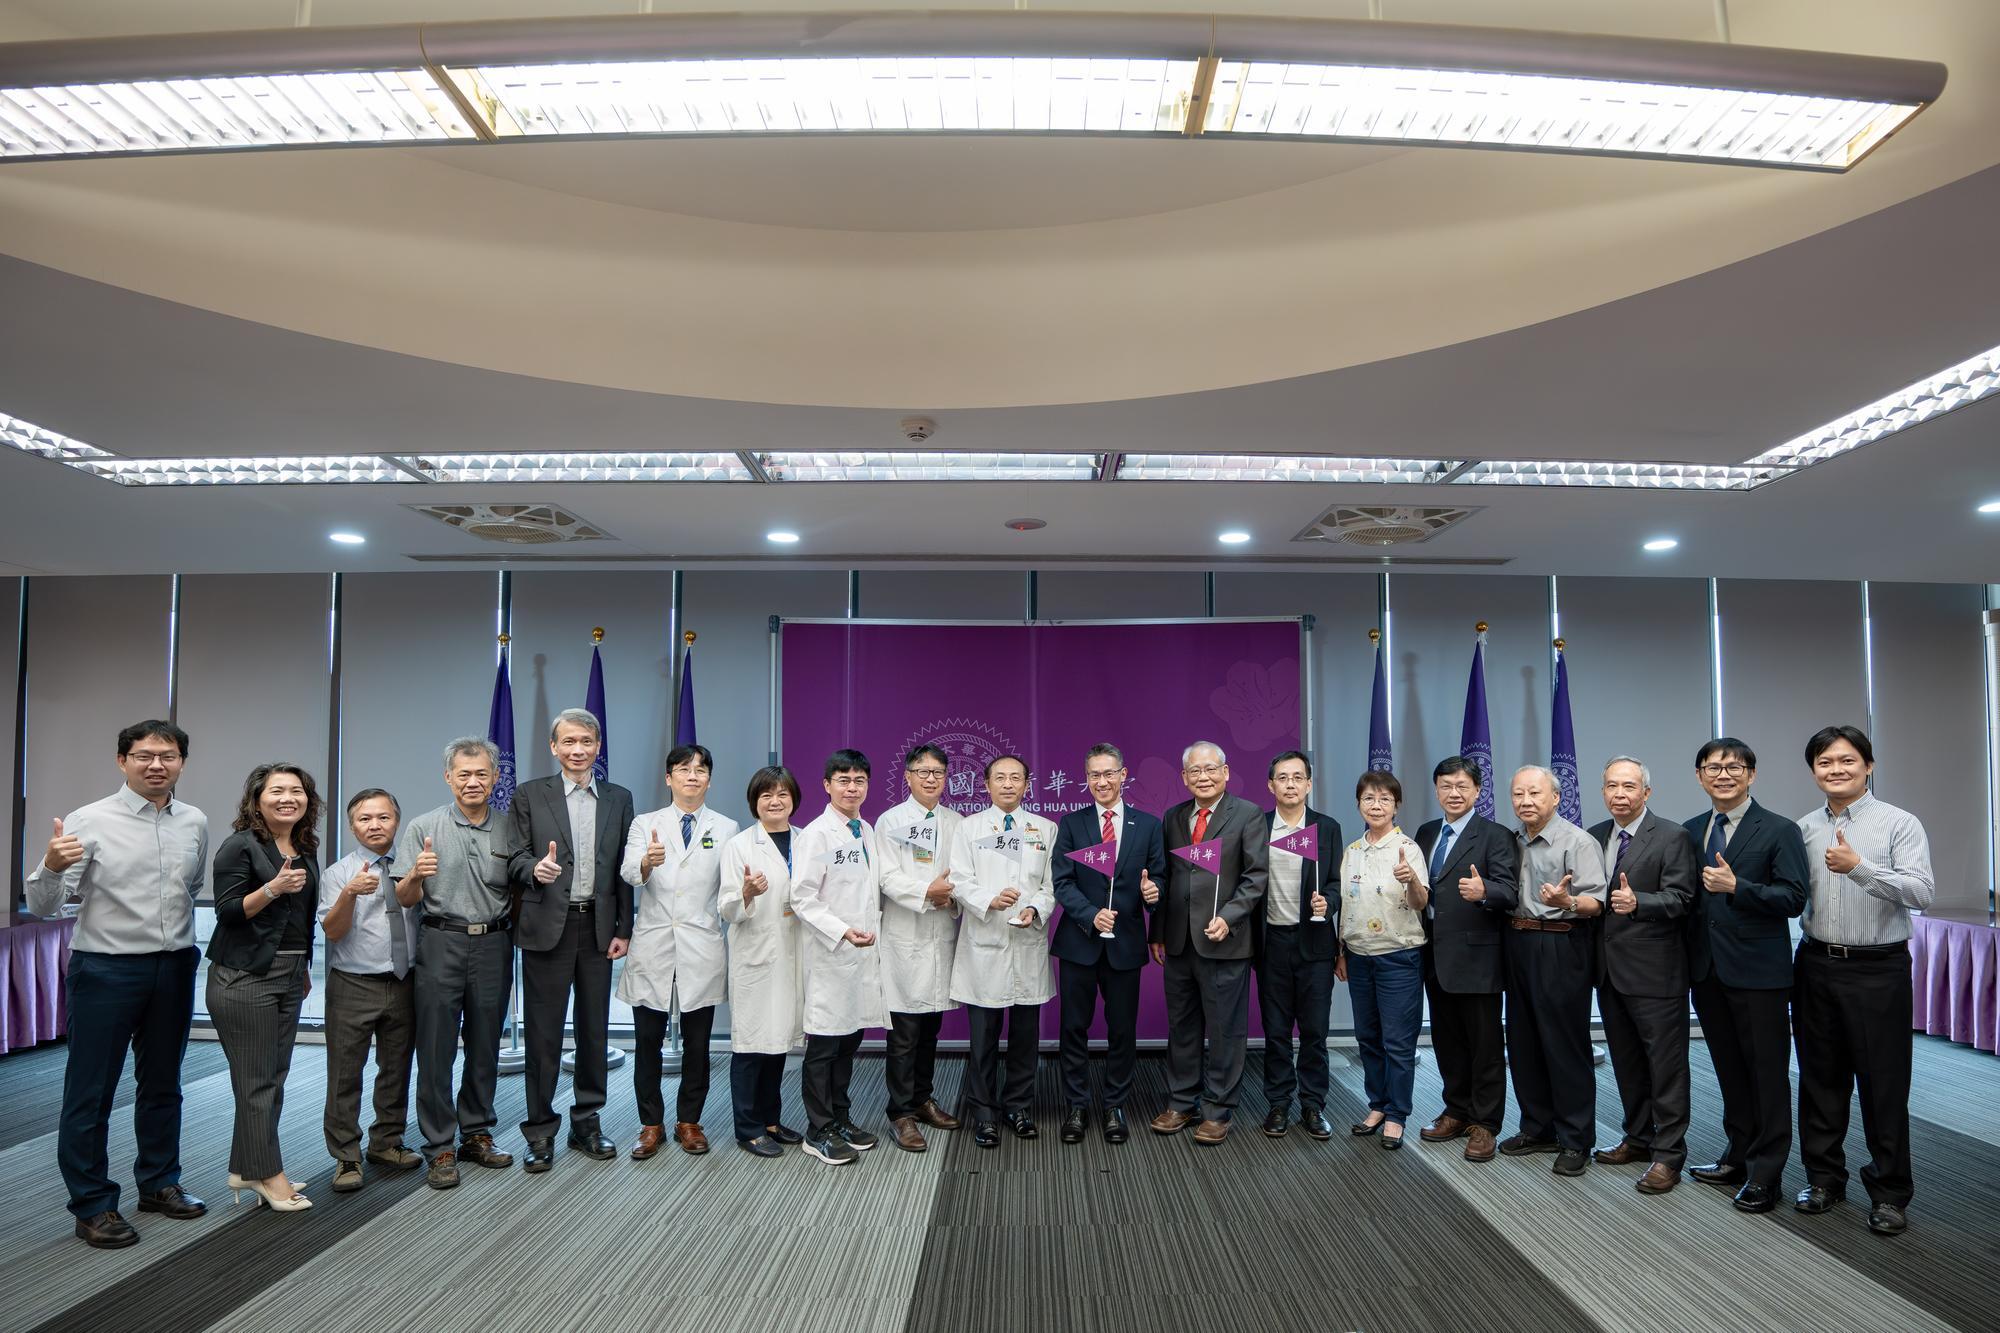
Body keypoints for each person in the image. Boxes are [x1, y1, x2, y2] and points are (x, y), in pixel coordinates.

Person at [27, 720, 209, 1248]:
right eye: (145, 755)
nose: (157, 764)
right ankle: (92, 1205)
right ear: (122, 761)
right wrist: (49, 866)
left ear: (181, 762)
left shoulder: (194, 821)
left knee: (163, 1084)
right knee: (91, 1090)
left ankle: (159, 1183)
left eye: (168, 756)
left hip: (173, 966)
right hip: (106, 968)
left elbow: (189, 889)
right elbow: (43, 906)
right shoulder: (90, 820)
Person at [1793, 725, 1934, 1236]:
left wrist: (1859, 869)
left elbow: (1921, 892)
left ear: (1868, 765)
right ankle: (1824, 1179)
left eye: (1847, 760)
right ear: (1814, 771)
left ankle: (1890, 1192)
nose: (1836, 769)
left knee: (1883, 1085)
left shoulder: (1900, 823)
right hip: (1815, 965)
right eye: (1825, 762)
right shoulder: (1804, 828)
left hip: (1878, 969)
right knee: (1820, 1079)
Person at [1681, 737, 1809, 1214]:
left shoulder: (1779, 830)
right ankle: (1737, 1154)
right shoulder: (1692, 830)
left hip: (1759, 973)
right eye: (1713, 767)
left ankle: (1766, 1173)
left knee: (1767, 1074)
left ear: (1751, 775)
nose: (1724, 774)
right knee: (1730, 1071)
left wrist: (1740, 887)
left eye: (1735, 767)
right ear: (1699, 776)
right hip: (1707, 971)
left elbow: (1793, 898)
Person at [506, 709, 636, 1173]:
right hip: (547, 927)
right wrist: (533, 870)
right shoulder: (529, 795)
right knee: (543, 1035)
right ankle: (540, 1132)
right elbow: (516, 854)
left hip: (598, 930)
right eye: (568, 742)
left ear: (598, 747)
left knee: (593, 1030)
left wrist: (624, 928)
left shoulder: (619, 798)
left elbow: (623, 867)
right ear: (553, 747)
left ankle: (587, 1122)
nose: (578, 750)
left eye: (586, 741)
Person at [396, 736, 518, 1190]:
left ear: (495, 777)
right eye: (463, 774)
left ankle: (477, 1132)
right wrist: (415, 874)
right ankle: (439, 1144)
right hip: (440, 942)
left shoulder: (511, 828)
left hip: (493, 945)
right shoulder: (423, 826)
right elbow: (405, 897)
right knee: (435, 1047)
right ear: (448, 777)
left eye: (481, 773)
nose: (472, 782)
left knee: (485, 1043)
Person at [206, 763, 322, 1212]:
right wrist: (272, 888)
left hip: (290, 973)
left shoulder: (303, 845)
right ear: (257, 799)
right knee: (257, 1082)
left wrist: (304, 967)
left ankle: (246, 1167)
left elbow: (301, 920)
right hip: (245, 977)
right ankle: (269, 1176)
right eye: (277, 791)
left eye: (297, 790)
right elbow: (228, 912)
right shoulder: (239, 846)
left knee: (272, 1077)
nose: (287, 798)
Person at [1149, 741, 1269, 1145]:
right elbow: (1167, 879)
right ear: (1184, 778)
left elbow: (1256, 876)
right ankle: (1182, 1102)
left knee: (1225, 1030)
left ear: (1226, 772)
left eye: (1210, 769)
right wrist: (1159, 931)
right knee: (1181, 1027)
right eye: (1194, 771)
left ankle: (1218, 1109)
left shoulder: (1248, 815)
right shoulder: (1174, 816)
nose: (1203, 777)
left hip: (1224, 940)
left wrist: (1230, 916)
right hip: (1179, 942)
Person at [1589, 757, 1699, 1196]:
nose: (1620, 794)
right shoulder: (1596, 836)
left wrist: (1640, 903)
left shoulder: (1673, 836)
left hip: (1657, 973)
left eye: (1629, 786)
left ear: (1646, 792)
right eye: (1612, 786)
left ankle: (1669, 1156)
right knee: (1628, 1063)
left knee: (1666, 1068)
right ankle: (1637, 1138)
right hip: (1609, 973)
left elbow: (1682, 898)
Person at [621, 743, 736, 1159]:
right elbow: (629, 873)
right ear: (668, 778)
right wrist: (649, 863)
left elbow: (729, 889)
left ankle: (690, 1121)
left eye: (701, 770)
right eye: (683, 769)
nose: (693, 776)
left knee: (698, 1043)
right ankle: (650, 1124)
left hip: (701, 944)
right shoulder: (644, 823)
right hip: (653, 944)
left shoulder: (727, 827)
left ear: (709, 779)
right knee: (647, 1040)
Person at [1050, 743, 1165, 1145]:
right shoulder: (1071, 824)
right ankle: (1076, 1106)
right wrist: (1089, 914)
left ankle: (1115, 1105)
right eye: (1094, 775)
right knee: (1073, 1029)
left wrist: (1154, 893)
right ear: (1086, 780)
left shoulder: (1148, 825)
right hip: (1079, 943)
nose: (1102, 781)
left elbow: (1160, 877)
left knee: (1122, 1031)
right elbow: (1061, 881)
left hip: (1126, 944)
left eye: (1109, 773)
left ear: (1123, 775)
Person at [1499, 765, 1608, 1178]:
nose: (1525, 801)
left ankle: (1576, 1138)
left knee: (1565, 1043)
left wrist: (1567, 902)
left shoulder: (1577, 842)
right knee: (1523, 1041)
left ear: (1556, 798)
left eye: (1535, 794)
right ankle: (1537, 1128)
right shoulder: (1510, 841)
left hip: (1561, 941)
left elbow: (1597, 903)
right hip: (1518, 941)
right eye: (1518, 794)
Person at [1412, 756, 1519, 1163]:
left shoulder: (1494, 835)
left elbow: (1509, 892)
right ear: (1437, 789)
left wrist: (1485, 891)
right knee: (1447, 1040)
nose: (1453, 793)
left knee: (1485, 1045)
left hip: (1478, 958)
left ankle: (1485, 1124)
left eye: (1462, 786)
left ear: (1477, 791)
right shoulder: (1425, 833)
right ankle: (1456, 1110)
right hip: (1434, 954)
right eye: (1446, 786)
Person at [948, 755, 1058, 1148]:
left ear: (1028, 784)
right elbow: (959, 879)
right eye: (1000, 778)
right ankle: (983, 1113)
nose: (1008, 784)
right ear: (986, 784)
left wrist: (1035, 908)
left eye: (1016, 778)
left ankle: (1018, 1106)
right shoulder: (969, 827)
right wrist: (988, 900)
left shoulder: (1045, 828)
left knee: (1025, 1037)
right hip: (985, 943)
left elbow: (1050, 884)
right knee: (983, 1039)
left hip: (1027, 943)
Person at [318, 787, 422, 1192]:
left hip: (404, 981)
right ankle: (346, 1157)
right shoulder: (338, 874)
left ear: (397, 821)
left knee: (395, 1069)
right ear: (352, 826)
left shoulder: (412, 866)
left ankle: (387, 1142)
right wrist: (349, 895)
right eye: (365, 819)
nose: (375, 825)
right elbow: (332, 931)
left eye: (383, 817)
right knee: (345, 1074)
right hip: (353, 983)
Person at [788, 749, 888, 1166]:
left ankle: (842, 1118)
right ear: (827, 786)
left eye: (859, 780)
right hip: (832, 955)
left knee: (850, 1041)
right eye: (843, 780)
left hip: (861, 954)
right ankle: (818, 1128)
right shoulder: (816, 834)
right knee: (825, 1047)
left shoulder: (865, 828)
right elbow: (802, 897)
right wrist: (842, 930)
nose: (852, 788)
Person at [873, 744, 964, 1151]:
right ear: (907, 776)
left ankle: (923, 1099)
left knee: (931, 1028)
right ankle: (901, 1113)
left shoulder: (958, 822)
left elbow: (966, 875)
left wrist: (953, 896)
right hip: (904, 937)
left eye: (938, 772)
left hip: (940, 934)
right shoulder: (889, 821)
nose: (931, 778)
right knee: (904, 1033)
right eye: (922, 771)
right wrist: (929, 891)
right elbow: (887, 878)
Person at [718, 766, 809, 1158]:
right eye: (766, 795)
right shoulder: (740, 845)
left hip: (795, 952)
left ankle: (771, 1120)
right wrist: (746, 893)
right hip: (757, 953)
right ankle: (748, 1127)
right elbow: (725, 908)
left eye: (783, 794)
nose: (775, 801)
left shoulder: (808, 840)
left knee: (778, 1044)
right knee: (752, 1046)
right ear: (755, 802)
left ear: (794, 800)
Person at [1254, 751, 1343, 1140]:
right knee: (1275, 1032)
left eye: (1297, 777)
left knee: (1314, 1032)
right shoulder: (1256, 827)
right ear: (1270, 785)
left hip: (1315, 945)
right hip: (1271, 941)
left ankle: (1312, 1105)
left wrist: (1331, 902)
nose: (1290, 784)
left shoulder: (1327, 827)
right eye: (1282, 778)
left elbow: (1338, 884)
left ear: (1309, 784)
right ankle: (1278, 1103)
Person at [1338, 770, 1429, 1150]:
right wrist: (1340, 950)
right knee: (1368, 1038)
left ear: (1396, 805)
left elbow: (1422, 903)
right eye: (1369, 798)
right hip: (1358, 958)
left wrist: (1409, 879)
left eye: (1384, 799)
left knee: (1398, 1041)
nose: (1376, 805)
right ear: (1359, 804)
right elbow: (1344, 904)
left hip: (1399, 957)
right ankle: (1377, 1104)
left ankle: (1397, 1114)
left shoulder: (1408, 848)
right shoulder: (1352, 851)